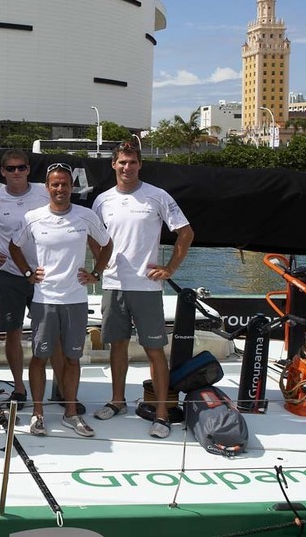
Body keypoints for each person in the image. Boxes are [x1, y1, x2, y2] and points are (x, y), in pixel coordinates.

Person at [91, 142, 193, 439]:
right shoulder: (102, 200)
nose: (127, 167)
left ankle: (161, 413)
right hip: (113, 285)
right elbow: (94, 237)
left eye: (132, 162)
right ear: (113, 165)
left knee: (154, 351)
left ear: (139, 164)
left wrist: (170, 268)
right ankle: (117, 400)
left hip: (146, 286)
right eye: (122, 162)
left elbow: (185, 233)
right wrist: (100, 266)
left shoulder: (157, 196)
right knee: (117, 345)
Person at [12, 162, 112, 438]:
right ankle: (38, 413)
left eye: (64, 184)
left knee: (72, 358)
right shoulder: (32, 217)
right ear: (47, 188)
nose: (60, 189)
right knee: (40, 356)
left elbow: (106, 244)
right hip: (44, 299)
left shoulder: (85, 215)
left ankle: (70, 413)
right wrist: (28, 272)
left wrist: (96, 272)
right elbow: (14, 246)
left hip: (75, 299)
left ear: (71, 187)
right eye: (54, 184)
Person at [0, 149, 67, 410]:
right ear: (2, 172)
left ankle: (63, 390)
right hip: (10, 274)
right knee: (13, 334)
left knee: (52, 335)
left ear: (28, 169)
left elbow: (67, 219)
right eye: (10, 168)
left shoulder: (44, 192)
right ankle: (20, 388)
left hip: (45, 275)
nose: (16, 173)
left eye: (21, 167)